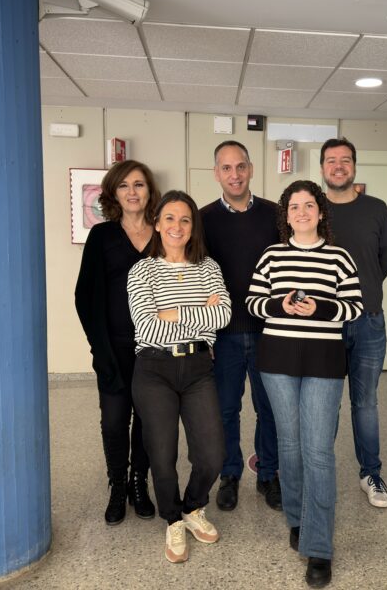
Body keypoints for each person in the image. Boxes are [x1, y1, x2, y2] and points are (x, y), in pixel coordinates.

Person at [247, 180, 363, 588]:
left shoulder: (339, 257)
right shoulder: (272, 255)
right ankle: (297, 518)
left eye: (309, 205)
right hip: (277, 361)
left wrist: (321, 309)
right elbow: (253, 302)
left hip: (323, 363)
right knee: (290, 445)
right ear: (286, 214)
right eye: (294, 206)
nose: (302, 212)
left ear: (321, 212)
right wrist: (281, 305)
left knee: (318, 451)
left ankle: (319, 546)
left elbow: (354, 306)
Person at [127, 190, 231, 563]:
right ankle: (172, 518)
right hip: (154, 368)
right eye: (169, 218)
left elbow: (222, 316)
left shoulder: (209, 268)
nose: (177, 226)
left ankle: (192, 507)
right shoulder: (142, 270)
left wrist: (172, 311)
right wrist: (198, 309)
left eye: (185, 219)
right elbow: (146, 326)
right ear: (157, 224)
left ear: (193, 226)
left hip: (199, 368)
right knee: (162, 453)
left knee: (213, 454)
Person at [75, 159, 159, 525]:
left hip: (156, 348)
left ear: (149, 190)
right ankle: (117, 484)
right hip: (114, 347)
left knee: (148, 420)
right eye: (124, 185)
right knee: (113, 421)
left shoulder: (163, 234)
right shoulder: (102, 236)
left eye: (138, 184)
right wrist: (99, 348)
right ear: (113, 193)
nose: (132, 192)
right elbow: (84, 296)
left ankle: (140, 482)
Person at [200, 140, 282, 512]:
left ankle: (268, 475)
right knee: (225, 411)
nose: (235, 174)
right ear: (216, 173)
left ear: (250, 169)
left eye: (240, 166)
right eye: (226, 168)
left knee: (269, 409)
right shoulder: (202, 219)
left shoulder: (275, 215)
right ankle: (230, 474)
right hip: (224, 335)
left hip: (268, 332)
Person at [320, 137, 387, 508]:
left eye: (345, 159)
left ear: (354, 166)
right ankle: (321, 474)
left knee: (365, 403)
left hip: (367, 321)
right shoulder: (313, 209)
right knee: (326, 403)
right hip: (325, 324)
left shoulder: (376, 209)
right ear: (322, 168)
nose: (339, 166)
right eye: (331, 160)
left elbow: (385, 261)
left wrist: (360, 293)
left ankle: (371, 474)